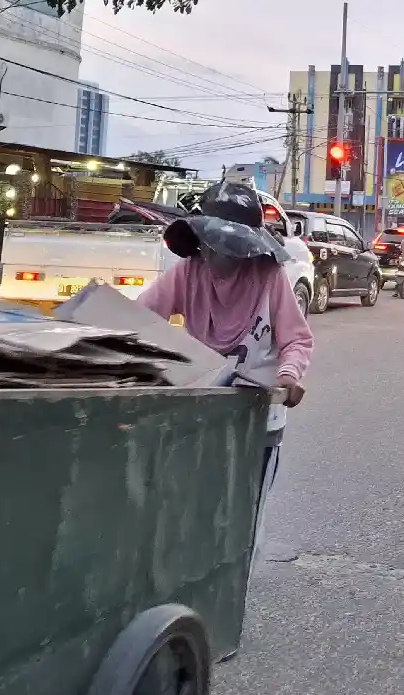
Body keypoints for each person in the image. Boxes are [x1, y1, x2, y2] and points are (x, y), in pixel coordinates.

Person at [135, 181, 314, 659]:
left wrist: (291, 375)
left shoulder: (269, 279)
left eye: (234, 245)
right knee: (190, 509)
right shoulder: (186, 275)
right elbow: (138, 321)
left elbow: (297, 340)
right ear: (201, 237)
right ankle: (183, 607)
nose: (221, 255)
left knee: (241, 516)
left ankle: (223, 616)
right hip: (203, 410)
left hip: (255, 416)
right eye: (214, 242)